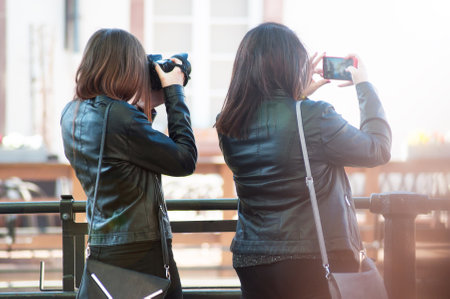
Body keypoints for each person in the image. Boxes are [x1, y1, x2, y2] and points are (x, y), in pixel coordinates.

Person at [215, 22, 391, 299]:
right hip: (309, 260)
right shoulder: (315, 117)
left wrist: (297, 96)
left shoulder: (227, 124)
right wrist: (365, 85)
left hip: (251, 260)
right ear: (290, 67)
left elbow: (276, 141)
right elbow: (378, 149)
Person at [60, 28, 197, 298]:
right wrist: (174, 94)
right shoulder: (121, 118)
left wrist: (149, 100)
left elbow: (128, 149)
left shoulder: (71, 113)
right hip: (140, 253)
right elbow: (185, 159)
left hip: (103, 246)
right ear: (125, 68)